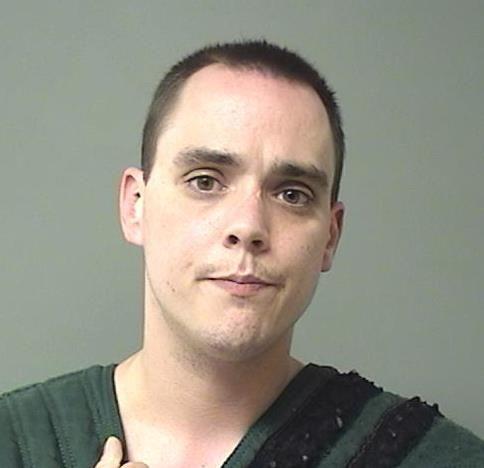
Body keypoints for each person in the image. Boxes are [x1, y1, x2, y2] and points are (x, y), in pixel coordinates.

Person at [1, 40, 483, 468]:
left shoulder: (439, 458)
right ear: (136, 206)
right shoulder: (14, 440)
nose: (248, 226)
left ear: (330, 237)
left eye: (292, 194)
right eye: (205, 181)